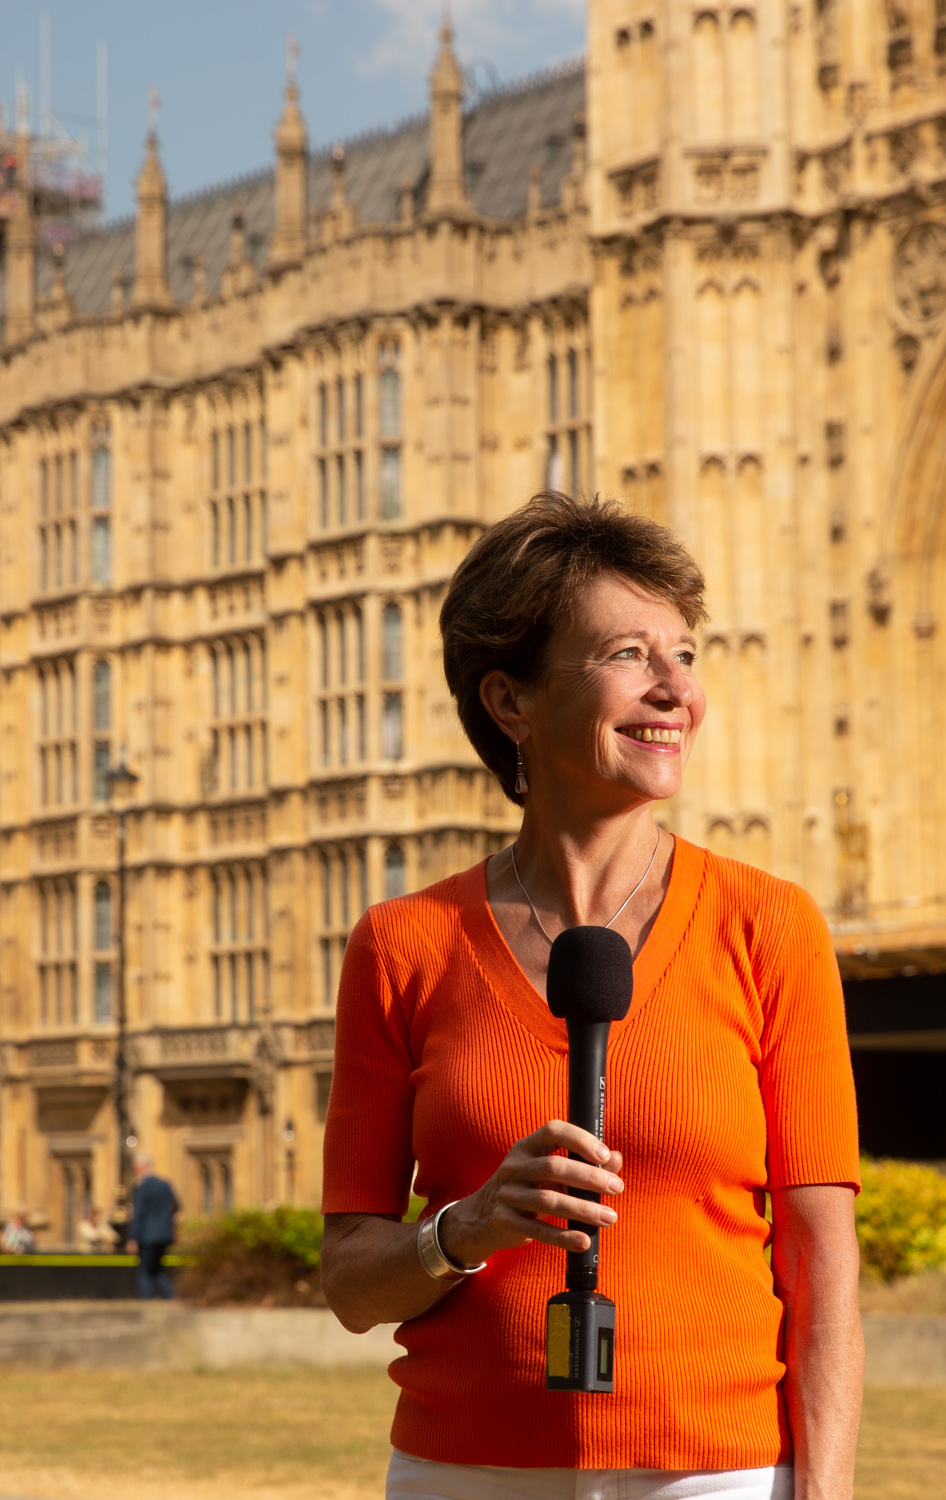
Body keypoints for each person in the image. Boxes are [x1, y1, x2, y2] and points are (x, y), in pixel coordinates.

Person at [319, 494, 863, 1500]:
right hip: (462, 1471)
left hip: (714, 1474)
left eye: (687, 657)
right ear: (510, 701)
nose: (674, 692)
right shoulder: (404, 945)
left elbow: (823, 1263)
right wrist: (466, 1227)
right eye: (627, 656)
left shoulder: (769, 926)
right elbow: (352, 1281)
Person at [126, 1153, 180, 1301]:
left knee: (144, 1271)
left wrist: (133, 1238)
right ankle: (171, 1296)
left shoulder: (142, 1187)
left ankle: (146, 1301)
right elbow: (176, 1206)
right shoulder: (165, 1185)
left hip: (147, 1235)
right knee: (156, 1269)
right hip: (164, 1234)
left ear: (139, 1167)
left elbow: (139, 1214)